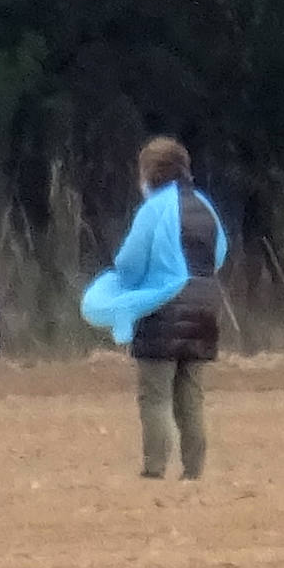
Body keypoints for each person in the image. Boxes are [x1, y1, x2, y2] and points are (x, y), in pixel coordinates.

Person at [81, 136, 227, 480]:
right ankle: (194, 472)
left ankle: (155, 469)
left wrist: (122, 285)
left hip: (162, 309)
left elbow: (130, 262)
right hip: (205, 307)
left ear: (150, 172)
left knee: (156, 395)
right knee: (191, 395)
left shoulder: (155, 209)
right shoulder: (205, 206)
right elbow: (219, 253)